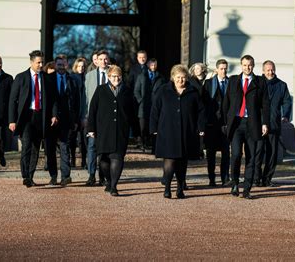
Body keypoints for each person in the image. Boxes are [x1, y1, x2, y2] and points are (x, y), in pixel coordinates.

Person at [150, 64, 205, 199]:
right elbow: (155, 110)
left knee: (182, 162)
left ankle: (180, 189)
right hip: (167, 131)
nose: (181, 80)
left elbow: (201, 111)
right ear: (173, 77)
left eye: (183, 77)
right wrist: (153, 128)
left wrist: (201, 127)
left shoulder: (193, 92)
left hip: (187, 131)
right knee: (170, 161)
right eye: (178, 77)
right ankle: (167, 188)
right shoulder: (163, 90)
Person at [222, 54, 269, 199]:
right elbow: (226, 103)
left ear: (253, 66)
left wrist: (265, 123)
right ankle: (235, 182)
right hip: (236, 123)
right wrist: (225, 122)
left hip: (252, 124)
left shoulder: (260, 82)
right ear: (241, 66)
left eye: (249, 65)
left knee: (251, 158)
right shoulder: (234, 80)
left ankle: (247, 188)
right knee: (236, 155)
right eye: (244, 65)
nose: (247, 68)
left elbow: (265, 105)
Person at [8, 50, 58, 188]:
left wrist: (54, 114)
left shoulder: (47, 78)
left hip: (41, 116)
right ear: (31, 62)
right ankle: (25, 175)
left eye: (42, 62)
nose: (41, 65)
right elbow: (12, 100)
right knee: (26, 145)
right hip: (26, 117)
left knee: (36, 147)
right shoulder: (20, 77)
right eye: (38, 62)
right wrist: (12, 120)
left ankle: (30, 176)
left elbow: (53, 99)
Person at [87, 65, 138, 196]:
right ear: (108, 77)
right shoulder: (101, 90)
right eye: (114, 76)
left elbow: (133, 112)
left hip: (121, 130)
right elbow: (92, 110)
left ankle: (114, 186)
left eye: (119, 76)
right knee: (103, 160)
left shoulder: (127, 91)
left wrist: (136, 130)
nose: (116, 78)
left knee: (117, 157)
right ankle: (109, 181)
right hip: (103, 130)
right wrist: (91, 128)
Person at [254, 60, 292, 187]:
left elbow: (287, 101)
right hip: (258, 124)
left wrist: (285, 115)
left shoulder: (282, 85)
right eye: (268, 70)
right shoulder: (257, 83)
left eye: (272, 69)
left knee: (272, 154)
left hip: (274, 124)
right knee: (257, 153)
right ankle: (256, 179)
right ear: (263, 71)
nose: (270, 72)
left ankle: (267, 179)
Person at [45, 55, 79, 187]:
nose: (61, 67)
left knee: (65, 148)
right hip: (51, 120)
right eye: (59, 64)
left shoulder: (72, 80)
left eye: (63, 65)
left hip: (66, 120)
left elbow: (76, 101)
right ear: (55, 65)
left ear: (67, 65)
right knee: (50, 148)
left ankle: (66, 176)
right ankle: (53, 176)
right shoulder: (48, 79)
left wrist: (75, 119)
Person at [84, 50, 110, 186]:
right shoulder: (89, 76)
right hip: (93, 116)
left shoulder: (114, 74)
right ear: (97, 61)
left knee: (105, 148)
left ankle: (103, 176)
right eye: (101, 59)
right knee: (92, 147)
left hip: (108, 118)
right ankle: (91, 175)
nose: (103, 61)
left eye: (106, 59)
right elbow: (86, 98)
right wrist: (86, 117)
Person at [203, 59, 230, 186]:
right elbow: (203, 103)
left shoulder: (231, 83)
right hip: (211, 124)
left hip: (225, 124)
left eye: (225, 68)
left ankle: (225, 179)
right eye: (221, 68)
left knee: (226, 153)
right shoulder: (208, 84)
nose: (224, 71)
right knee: (211, 154)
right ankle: (212, 179)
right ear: (217, 69)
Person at [69, 57, 88, 168]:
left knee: (83, 139)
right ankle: (72, 160)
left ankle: (84, 161)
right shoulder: (72, 78)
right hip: (74, 111)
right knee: (72, 138)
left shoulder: (87, 77)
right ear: (75, 67)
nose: (81, 68)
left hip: (84, 111)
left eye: (83, 66)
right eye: (79, 66)